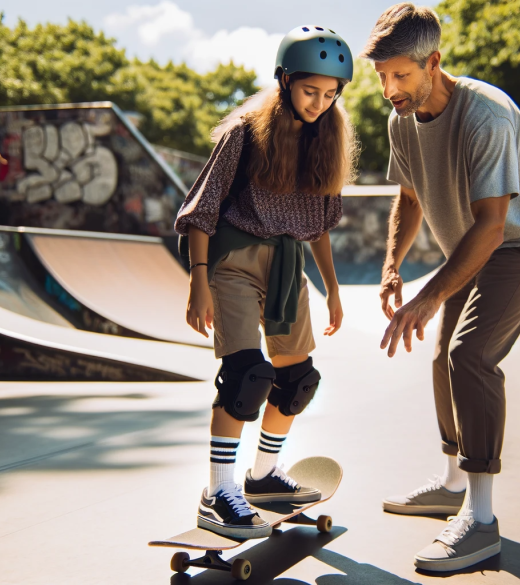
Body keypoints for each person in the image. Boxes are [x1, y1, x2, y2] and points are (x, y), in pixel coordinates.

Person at [362, 4, 520, 572]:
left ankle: (481, 519)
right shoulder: (401, 118)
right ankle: (452, 484)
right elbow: (411, 194)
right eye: (381, 76)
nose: (389, 89)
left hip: (518, 245)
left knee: (469, 356)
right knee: (440, 359)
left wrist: (430, 297)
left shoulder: (487, 117)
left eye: (400, 75)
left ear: (434, 62)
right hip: (468, 248)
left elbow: (493, 225)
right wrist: (393, 267)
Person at [174, 25, 355, 540]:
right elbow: (201, 211)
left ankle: (262, 479)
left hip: (287, 266)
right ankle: (217, 492)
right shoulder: (245, 133)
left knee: (297, 381)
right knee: (246, 377)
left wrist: (334, 289)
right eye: (309, 90)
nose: (320, 102)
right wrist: (198, 280)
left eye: (330, 93)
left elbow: (317, 226)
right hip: (232, 258)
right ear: (284, 81)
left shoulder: (328, 143)